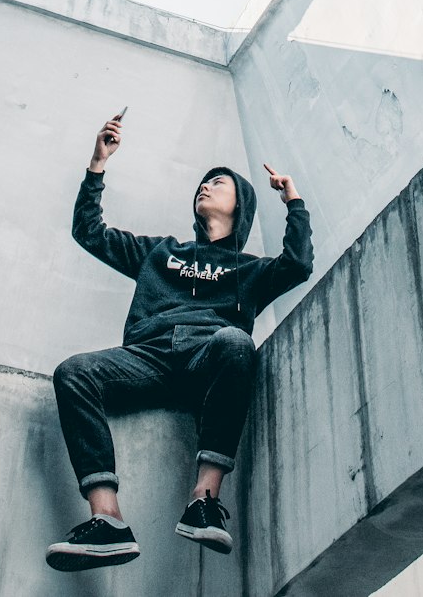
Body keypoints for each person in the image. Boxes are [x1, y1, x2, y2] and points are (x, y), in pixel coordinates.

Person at [45, 110, 313, 572]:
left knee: (235, 341)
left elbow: (298, 264)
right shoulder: (160, 252)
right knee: (74, 371)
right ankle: (107, 519)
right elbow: (89, 232)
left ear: (240, 206)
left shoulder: (249, 270)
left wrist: (294, 201)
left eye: (219, 183)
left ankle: (204, 500)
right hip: (145, 358)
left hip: (207, 358)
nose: (205, 186)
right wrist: (97, 163)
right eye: (203, 182)